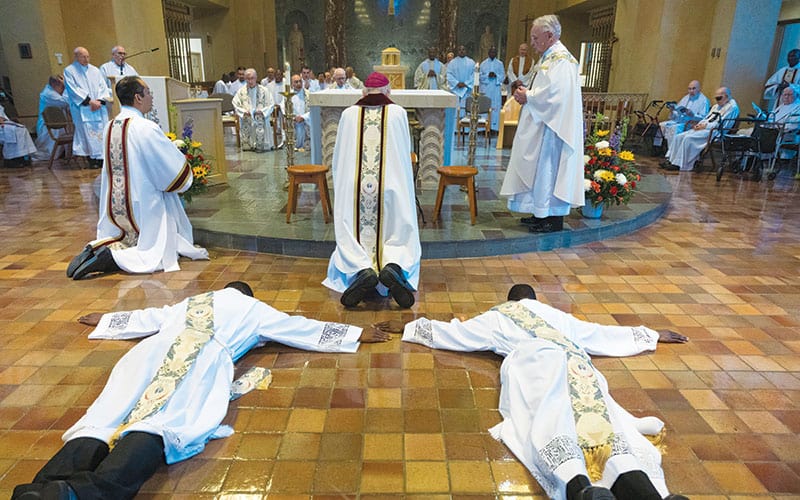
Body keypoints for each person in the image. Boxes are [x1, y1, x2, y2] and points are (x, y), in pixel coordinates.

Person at [12, 281, 390, 500]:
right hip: (201, 359)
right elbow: (299, 328)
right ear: (247, 294)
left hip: (150, 353)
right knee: (163, 422)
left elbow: (150, 317)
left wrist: (107, 319)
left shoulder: (192, 301)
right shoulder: (255, 309)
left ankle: (44, 486)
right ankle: (82, 493)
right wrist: (356, 334)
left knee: (105, 416)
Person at [381, 283, 689, 500]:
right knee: (607, 427)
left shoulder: (497, 315)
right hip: (580, 370)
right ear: (535, 299)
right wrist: (650, 334)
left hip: (538, 366)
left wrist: (407, 327)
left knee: (550, 423)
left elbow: (457, 333)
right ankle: (647, 492)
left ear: (509, 299)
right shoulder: (557, 316)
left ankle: (578, 488)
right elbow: (599, 334)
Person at [66, 76, 208, 280]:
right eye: (148, 92)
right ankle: (113, 259)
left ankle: (94, 249)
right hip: (145, 205)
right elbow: (171, 173)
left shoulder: (111, 125)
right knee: (156, 252)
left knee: (121, 236)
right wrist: (181, 162)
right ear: (138, 98)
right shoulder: (145, 127)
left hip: (118, 206)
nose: (151, 96)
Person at [323, 72, 421, 309]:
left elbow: (338, 159)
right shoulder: (398, 114)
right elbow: (404, 156)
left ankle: (361, 270)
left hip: (356, 187)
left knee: (352, 229)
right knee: (398, 229)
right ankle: (393, 266)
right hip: (391, 188)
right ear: (388, 92)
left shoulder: (348, 115)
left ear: (363, 92)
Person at [500, 15, 584, 234]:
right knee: (539, 170)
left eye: (536, 37)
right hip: (543, 123)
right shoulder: (549, 57)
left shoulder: (562, 60)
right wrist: (527, 91)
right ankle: (539, 213)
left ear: (550, 35)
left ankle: (552, 219)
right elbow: (545, 86)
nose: (533, 42)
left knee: (549, 169)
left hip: (553, 128)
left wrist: (528, 96)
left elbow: (557, 95)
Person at [663, 86, 739, 172]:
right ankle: (671, 161)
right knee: (679, 136)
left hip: (715, 132)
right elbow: (707, 118)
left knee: (688, 139)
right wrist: (699, 125)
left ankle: (682, 165)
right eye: (716, 98)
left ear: (727, 96)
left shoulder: (732, 108)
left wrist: (705, 126)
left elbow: (722, 125)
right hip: (705, 128)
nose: (717, 101)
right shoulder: (716, 106)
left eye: (719, 98)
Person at [64, 46, 112, 168]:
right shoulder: (70, 71)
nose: (86, 59)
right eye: (83, 56)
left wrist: (100, 100)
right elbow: (73, 90)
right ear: (76, 57)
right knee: (87, 134)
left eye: (87, 56)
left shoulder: (95, 70)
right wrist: (90, 101)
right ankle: (92, 159)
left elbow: (103, 87)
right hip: (83, 108)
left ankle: (102, 159)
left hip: (98, 108)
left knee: (101, 132)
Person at [232, 68, 275, 152]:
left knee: (259, 120)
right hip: (247, 118)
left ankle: (261, 145)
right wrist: (244, 112)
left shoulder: (264, 90)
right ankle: (249, 145)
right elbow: (235, 103)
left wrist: (262, 111)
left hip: (260, 118)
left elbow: (271, 104)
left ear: (256, 78)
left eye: (252, 78)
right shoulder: (241, 91)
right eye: (248, 79)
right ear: (245, 79)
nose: (250, 81)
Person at [657, 80, 710, 149]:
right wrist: (672, 111)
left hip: (691, 123)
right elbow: (677, 112)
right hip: (679, 120)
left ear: (699, 89)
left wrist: (692, 115)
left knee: (674, 129)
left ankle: (672, 151)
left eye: (694, 88)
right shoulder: (685, 98)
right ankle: (657, 148)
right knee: (661, 125)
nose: (691, 91)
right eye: (689, 89)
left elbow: (704, 118)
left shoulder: (704, 100)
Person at [33, 75, 71, 161]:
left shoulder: (52, 91)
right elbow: (65, 102)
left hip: (56, 123)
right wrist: (67, 88)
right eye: (62, 87)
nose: (63, 90)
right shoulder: (48, 94)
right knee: (48, 153)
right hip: (49, 125)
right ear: (55, 86)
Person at [446, 45, 476, 117]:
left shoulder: (471, 62)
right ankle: (455, 127)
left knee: (467, 109)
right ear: (457, 51)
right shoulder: (452, 63)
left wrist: (466, 83)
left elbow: (474, 74)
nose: (462, 51)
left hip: (467, 90)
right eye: (460, 50)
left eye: (463, 49)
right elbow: (449, 74)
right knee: (455, 111)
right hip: (455, 90)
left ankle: (466, 128)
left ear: (466, 51)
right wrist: (456, 83)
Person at [480, 46, 504, 130]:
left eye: (494, 52)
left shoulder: (500, 63)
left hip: (495, 88)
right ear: (488, 53)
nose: (492, 53)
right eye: (491, 52)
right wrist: (487, 75)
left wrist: (496, 76)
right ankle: (483, 128)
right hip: (486, 88)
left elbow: (502, 76)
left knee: (495, 107)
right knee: (485, 106)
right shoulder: (483, 63)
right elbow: (480, 76)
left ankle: (494, 128)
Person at [288, 74, 311, 150]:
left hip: (305, 121)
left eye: (300, 81)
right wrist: (294, 117)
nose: (298, 84)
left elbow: (313, 110)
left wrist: (303, 117)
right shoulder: (288, 95)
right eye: (296, 82)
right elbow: (283, 108)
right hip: (294, 122)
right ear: (292, 84)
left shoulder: (308, 94)